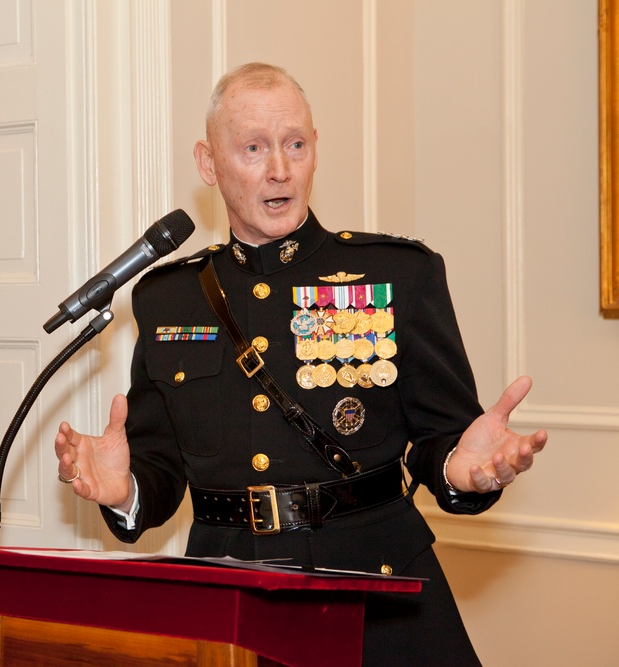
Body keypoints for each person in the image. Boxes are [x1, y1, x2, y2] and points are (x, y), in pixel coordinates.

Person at [53, 63, 548, 665]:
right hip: (231, 603)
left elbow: (445, 442)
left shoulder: (398, 274)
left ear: (316, 151)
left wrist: (460, 473)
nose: (280, 170)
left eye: (296, 145)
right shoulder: (168, 297)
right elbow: (160, 469)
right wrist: (124, 489)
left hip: (377, 598)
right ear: (209, 165)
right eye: (254, 149)